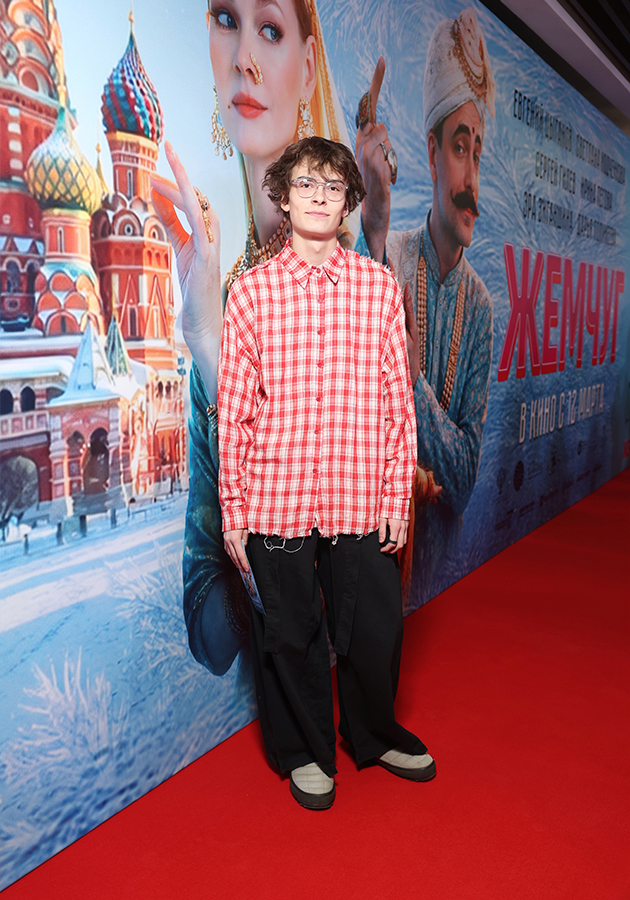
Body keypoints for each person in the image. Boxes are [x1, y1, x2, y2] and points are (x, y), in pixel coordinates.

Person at [218, 136, 436, 809]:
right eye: (306, 184)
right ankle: (303, 752)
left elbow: (398, 402)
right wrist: (234, 511)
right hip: (276, 497)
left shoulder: (378, 290)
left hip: (360, 494)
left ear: (348, 203)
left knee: (375, 628)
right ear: (283, 198)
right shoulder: (250, 294)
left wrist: (396, 499)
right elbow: (234, 413)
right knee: (289, 635)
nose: (319, 196)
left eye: (333, 186)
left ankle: (373, 734)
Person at [150, 0, 358, 676]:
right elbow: (210, 636)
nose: (243, 57)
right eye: (224, 20)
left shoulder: (353, 283)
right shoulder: (223, 302)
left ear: (308, 66)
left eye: (269, 29)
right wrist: (209, 346)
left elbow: (329, 590)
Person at [355, 7, 495, 606]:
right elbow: (353, 409)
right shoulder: (388, 258)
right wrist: (374, 222)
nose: (472, 181)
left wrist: (409, 381)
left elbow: (462, 480)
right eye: (459, 148)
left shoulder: (480, 306)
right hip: (373, 587)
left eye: (478, 153)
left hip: (447, 591)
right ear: (433, 155)